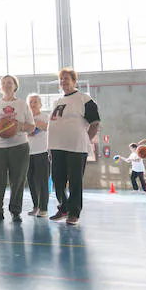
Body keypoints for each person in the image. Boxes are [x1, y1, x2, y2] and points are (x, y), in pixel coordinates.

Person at [47, 68, 101, 226]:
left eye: (66, 78)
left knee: (75, 181)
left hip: (76, 147)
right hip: (57, 147)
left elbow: (95, 122)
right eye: (61, 79)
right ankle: (63, 208)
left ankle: (74, 212)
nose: (63, 81)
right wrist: (51, 149)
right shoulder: (58, 101)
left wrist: (86, 139)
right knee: (57, 180)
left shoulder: (84, 98)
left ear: (74, 81)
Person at [0, 75, 34, 223]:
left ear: (15, 86)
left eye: (9, 82)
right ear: (0, 87)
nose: (6, 85)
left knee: (17, 180)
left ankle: (15, 210)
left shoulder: (22, 105)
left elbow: (32, 127)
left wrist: (19, 126)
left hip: (19, 146)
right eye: (3, 83)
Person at [26, 93, 50, 217]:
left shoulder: (45, 116)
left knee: (42, 181)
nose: (33, 104)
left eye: (35, 102)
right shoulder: (25, 118)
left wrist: (34, 123)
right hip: (28, 154)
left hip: (41, 152)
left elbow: (48, 128)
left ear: (40, 104)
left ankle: (44, 208)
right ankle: (36, 206)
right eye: (30, 102)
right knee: (31, 181)